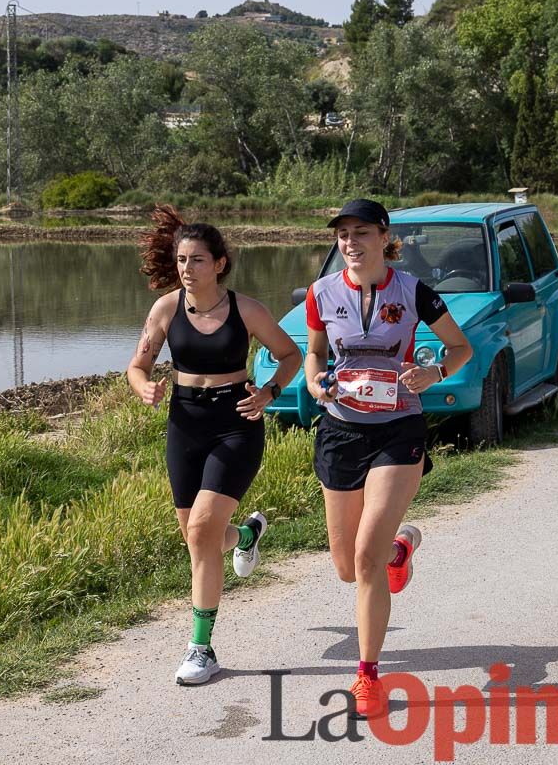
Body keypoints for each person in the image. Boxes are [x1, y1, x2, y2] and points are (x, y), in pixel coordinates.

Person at [304, 199, 472, 716]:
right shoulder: (321, 293)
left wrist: (434, 373)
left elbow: (460, 349)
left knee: (365, 559)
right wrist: (314, 381)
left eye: (360, 233)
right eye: (342, 235)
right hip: (341, 431)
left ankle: (368, 675)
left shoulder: (414, 291)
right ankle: (400, 549)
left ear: (383, 236)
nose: (350, 243)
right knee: (345, 567)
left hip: (398, 430)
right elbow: (314, 353)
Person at [127, 205, 301, 686]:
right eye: (182, 259)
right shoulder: (165, 309)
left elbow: (290, 354)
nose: (187, 268)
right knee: (198, 539)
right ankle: (246, 536)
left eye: (198, 260)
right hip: (185, 423)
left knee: (203, 532)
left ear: (219, 263)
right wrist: (142, 385)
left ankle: (200, 648)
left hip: (236, 422)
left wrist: (269, 393)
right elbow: (136, 364)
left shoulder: (247, 310)